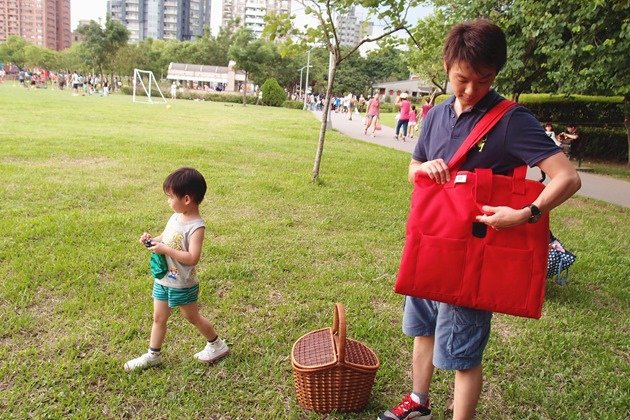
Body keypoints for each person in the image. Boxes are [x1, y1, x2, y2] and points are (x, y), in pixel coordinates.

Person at [380, 19, 580, 420]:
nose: (471, 90)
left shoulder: (510, 120)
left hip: (475, 250)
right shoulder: (436, 115)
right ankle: (419, 402)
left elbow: (567, 177)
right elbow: (413, 167)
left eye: (484, 80)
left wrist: (526, 214)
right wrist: (423, 169)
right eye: (462, 79)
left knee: (462, 351)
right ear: (447, 65)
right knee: (422, 328)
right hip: (431, 239)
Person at [124, 167, 229, 371]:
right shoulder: (175, 217)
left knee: (192, 317)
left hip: (182, 284)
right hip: (163, 280)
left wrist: (165, 250)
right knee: (159, 317)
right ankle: (153, 355)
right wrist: (152, 241)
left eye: (171, 197)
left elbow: (192, 258)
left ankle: (217, 345)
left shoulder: (196, 227)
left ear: (187, 199)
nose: (168, 201)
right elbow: (165, 238)